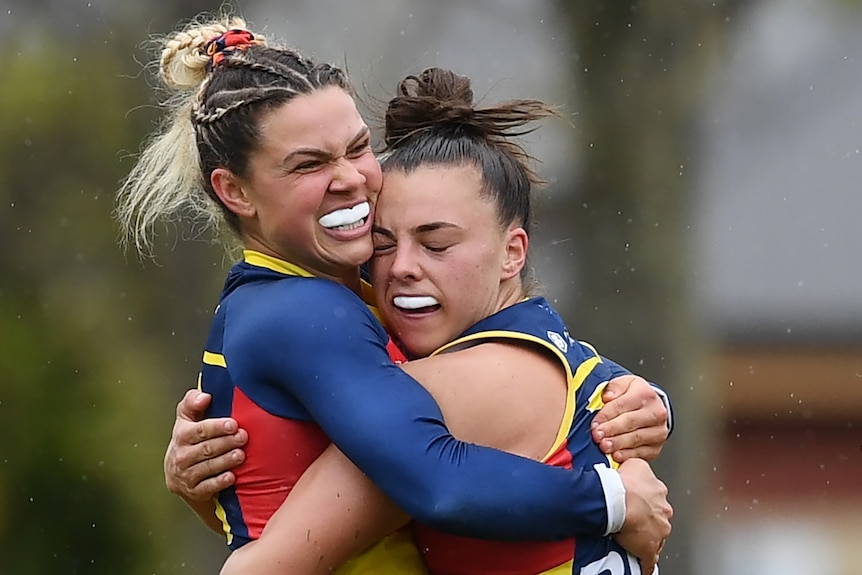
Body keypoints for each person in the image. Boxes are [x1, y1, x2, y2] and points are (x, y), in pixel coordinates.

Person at [118, 13, 670, 574]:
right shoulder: (308, 313)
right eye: (309, 163)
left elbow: (291, 505)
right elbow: (434, 484)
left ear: (516, 251)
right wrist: (615, 499)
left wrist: (635, 397)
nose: (351, 178)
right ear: (234, 190)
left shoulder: (350, 293)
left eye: (358, 148)